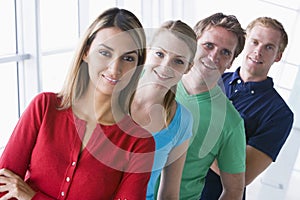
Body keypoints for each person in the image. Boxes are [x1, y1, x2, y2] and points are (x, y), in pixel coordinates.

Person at [0, 7, 155, 200]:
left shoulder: (139, 143)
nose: (115, 68)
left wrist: (33, 197)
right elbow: (3, 186)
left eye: (128, 58)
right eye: (105, 53)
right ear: (86, 52)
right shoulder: (44, 107)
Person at [201, 17, 294, 200]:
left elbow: (243, 173)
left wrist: (190, 130)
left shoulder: (279, 114)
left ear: (278, 56)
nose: (258, 51)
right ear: (245, 43)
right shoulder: (209, 80)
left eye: (268, 47)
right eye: (255, 42)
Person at [176, 13, 247, 200]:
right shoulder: (155, 80)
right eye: (208, 46)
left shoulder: (231, 122)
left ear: (231, 62)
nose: (214, 56)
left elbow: (234, 190)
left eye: (225, 52)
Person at [131, 20, 197, 199]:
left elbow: (169, 193)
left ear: (188, 68)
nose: (166, 65)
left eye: (178, 61)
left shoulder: (182, 121)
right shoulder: (112, 96)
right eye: (160, 54)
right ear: (147, 51)